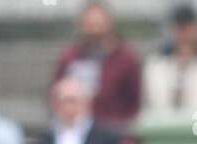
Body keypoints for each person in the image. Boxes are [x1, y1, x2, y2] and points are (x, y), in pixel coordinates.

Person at [51, 1, 141, 135]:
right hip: (76, 133)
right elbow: (56, 94)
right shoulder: (70, 57)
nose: (95, 30)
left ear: (109, 24)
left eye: (99, 24)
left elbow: (135, 102)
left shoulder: (126, 59)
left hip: (115, 134)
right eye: (90, 25)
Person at [140, 5, 197, 115]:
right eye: (180, 27)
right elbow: (145, 107)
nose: (184, 33)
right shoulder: (154, 65)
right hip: (164, 130)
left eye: (188, 27)